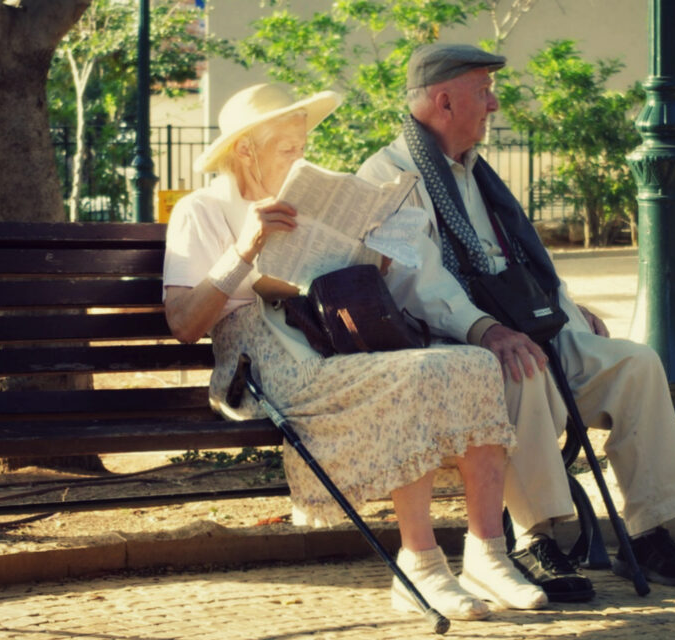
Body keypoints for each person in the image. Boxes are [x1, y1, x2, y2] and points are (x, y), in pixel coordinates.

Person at [162, 83, 549, 621]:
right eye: (287, 148)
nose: (301, 157)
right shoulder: (201, 209)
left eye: (302, 145)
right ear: (245, 149)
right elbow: (184, 323)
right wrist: (244, 248)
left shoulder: (302, 199)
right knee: (410, 377)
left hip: (328, 339)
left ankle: (487, 553)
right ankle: (420, 564)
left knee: (473, 363)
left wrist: (370, 254)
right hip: (260, 362)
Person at [358, 44, 675, 601]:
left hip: (526, 328)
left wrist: (569, 313)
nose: (495, 104)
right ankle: (535, 537)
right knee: (520, 368)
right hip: (460, 343)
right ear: (444, 100)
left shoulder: (477, 173)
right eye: (484, 92)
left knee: (636, 363)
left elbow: (521, 263)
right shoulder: (389, 173)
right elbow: (415, 280)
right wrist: (486, 330)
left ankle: (648, 532)